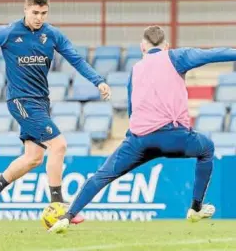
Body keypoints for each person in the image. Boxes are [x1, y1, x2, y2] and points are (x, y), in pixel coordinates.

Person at [49, 25, 236, 233]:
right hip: (173, 137)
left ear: (142, 47)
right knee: (207, 148)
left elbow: (132, 107)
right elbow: (213, 54)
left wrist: (133, 136)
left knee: (101, 176)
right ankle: (195, 207)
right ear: (166, 46)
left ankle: (67, 217)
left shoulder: (136, 69)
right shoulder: (176, 56)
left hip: (139, 140)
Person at [0, 0, 111, 223]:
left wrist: (98, 81)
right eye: (35, 12)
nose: (39, 17)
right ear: (25, 9)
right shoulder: (9, 32)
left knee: (33, 158)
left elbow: (77, 60)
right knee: (59, 145)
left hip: (41, 102)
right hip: (20, 101)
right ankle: (59, 206)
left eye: (43, 13)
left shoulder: (51, 35)